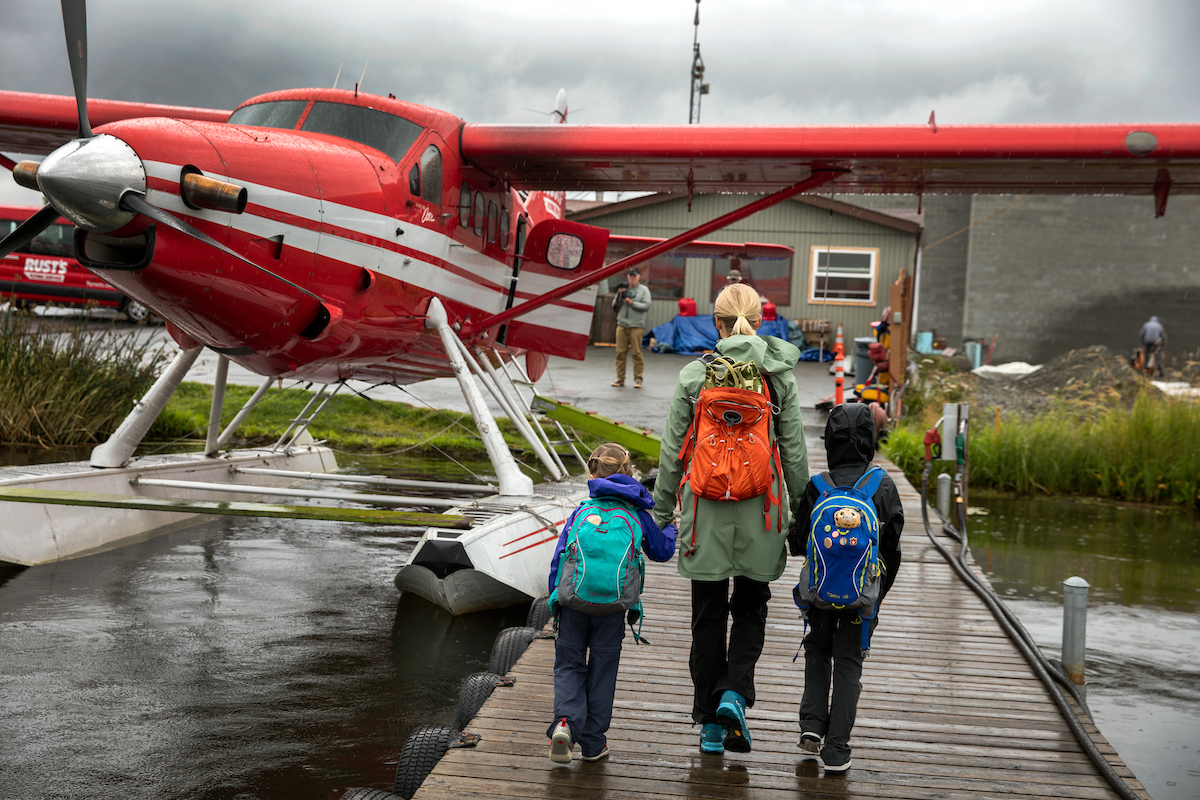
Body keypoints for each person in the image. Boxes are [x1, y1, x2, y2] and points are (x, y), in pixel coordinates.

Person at [652, 283, 809, 755]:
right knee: (751, 608)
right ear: (759, 322)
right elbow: (795, 452)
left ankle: (709, 724)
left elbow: (671, 453)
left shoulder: (693, 377)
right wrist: (800, 514)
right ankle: (735, 694)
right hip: (762, 512)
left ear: (715, 322)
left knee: (707, 616)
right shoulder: (778, 378)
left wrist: (661, 512)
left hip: (705, 514)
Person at [789, 403, 904, 773]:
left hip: (821, 592)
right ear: (870, 440)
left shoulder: (818, 485)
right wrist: (877, 594)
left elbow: (798, 542)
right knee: (849, 662)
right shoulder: (882, 485)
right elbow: (892, 547)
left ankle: (811, 725)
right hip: (862, 596)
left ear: (829, 441)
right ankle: (837, 750)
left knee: (818, 651)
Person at [546, 443, 677, 763]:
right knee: (603, 672)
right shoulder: (636, 514)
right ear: (629, 472)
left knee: (569, 666)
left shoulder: (581, 510)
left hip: (574, 602)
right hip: (613, 609)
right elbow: (661, 552)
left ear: (593, 473)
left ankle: (564, 723)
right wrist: (671, 528)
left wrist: (555, 601)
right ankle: (592, 743)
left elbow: (559, 559)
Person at [613, 267, 651, 388]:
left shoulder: (643, 290)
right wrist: (620, 296)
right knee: (620, 353)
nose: (632, 278)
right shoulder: (622, 289)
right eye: (630, 275)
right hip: (622, 325)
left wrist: (632, 303)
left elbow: (646, 306)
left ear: (638, 277)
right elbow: (614, 307)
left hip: (636, 326)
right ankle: (620, 379)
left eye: (634, 276)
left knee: (636, 353)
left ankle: (638, 379)